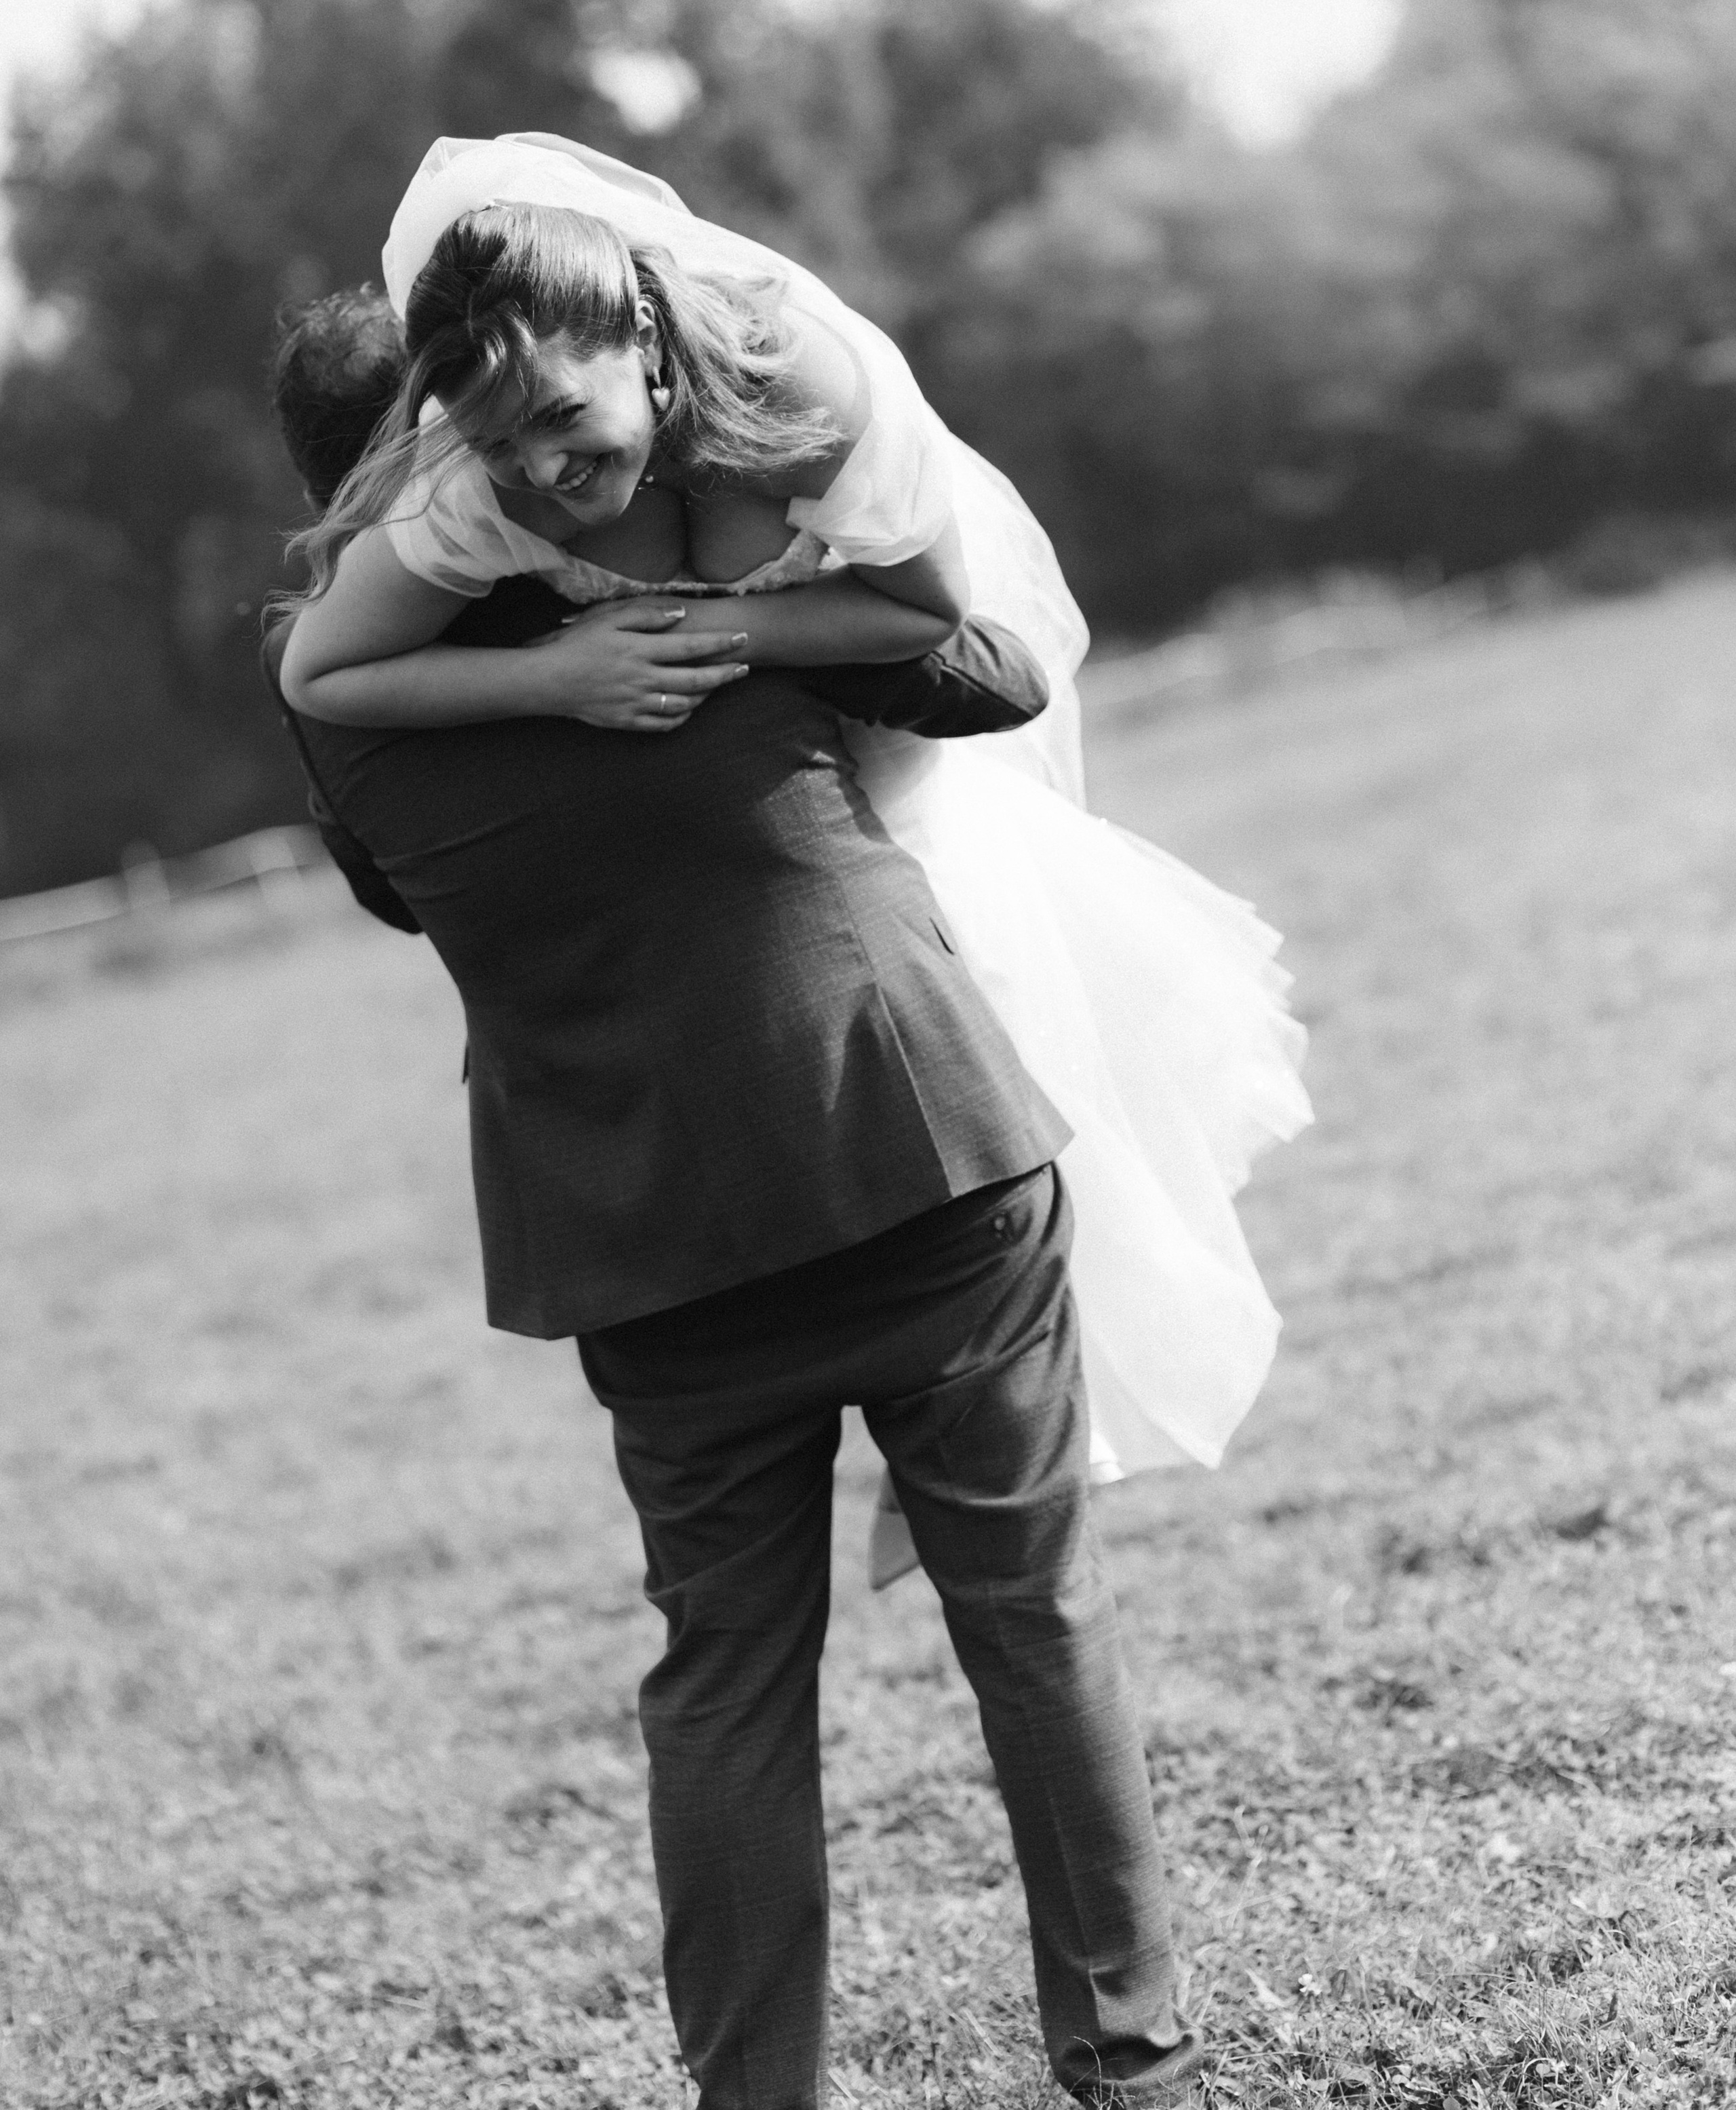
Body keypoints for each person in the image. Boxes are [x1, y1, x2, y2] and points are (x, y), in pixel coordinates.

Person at [262, 283, 1205, 2107]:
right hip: (902, 1138)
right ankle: (1136, 2059)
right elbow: (999, 669)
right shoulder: (717, 606)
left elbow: (394, 889)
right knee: (1034, 1615)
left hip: (637, 1225)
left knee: (721, 1687)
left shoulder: (352, 715)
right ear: (444, 451)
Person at [279, 136, 1310, 1500]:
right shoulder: (464, 506)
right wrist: (556, 672)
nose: (539, 469)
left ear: (639, 342)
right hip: (731, 910)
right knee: (939, 1008)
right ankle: (979, 1415)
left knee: (978, 957)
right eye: (495, 440)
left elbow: (943, 626)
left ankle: (1006, 1396)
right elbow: (334, 687)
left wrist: (729, 627)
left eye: (561, 425)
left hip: (847, 658)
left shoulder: (793, 381)